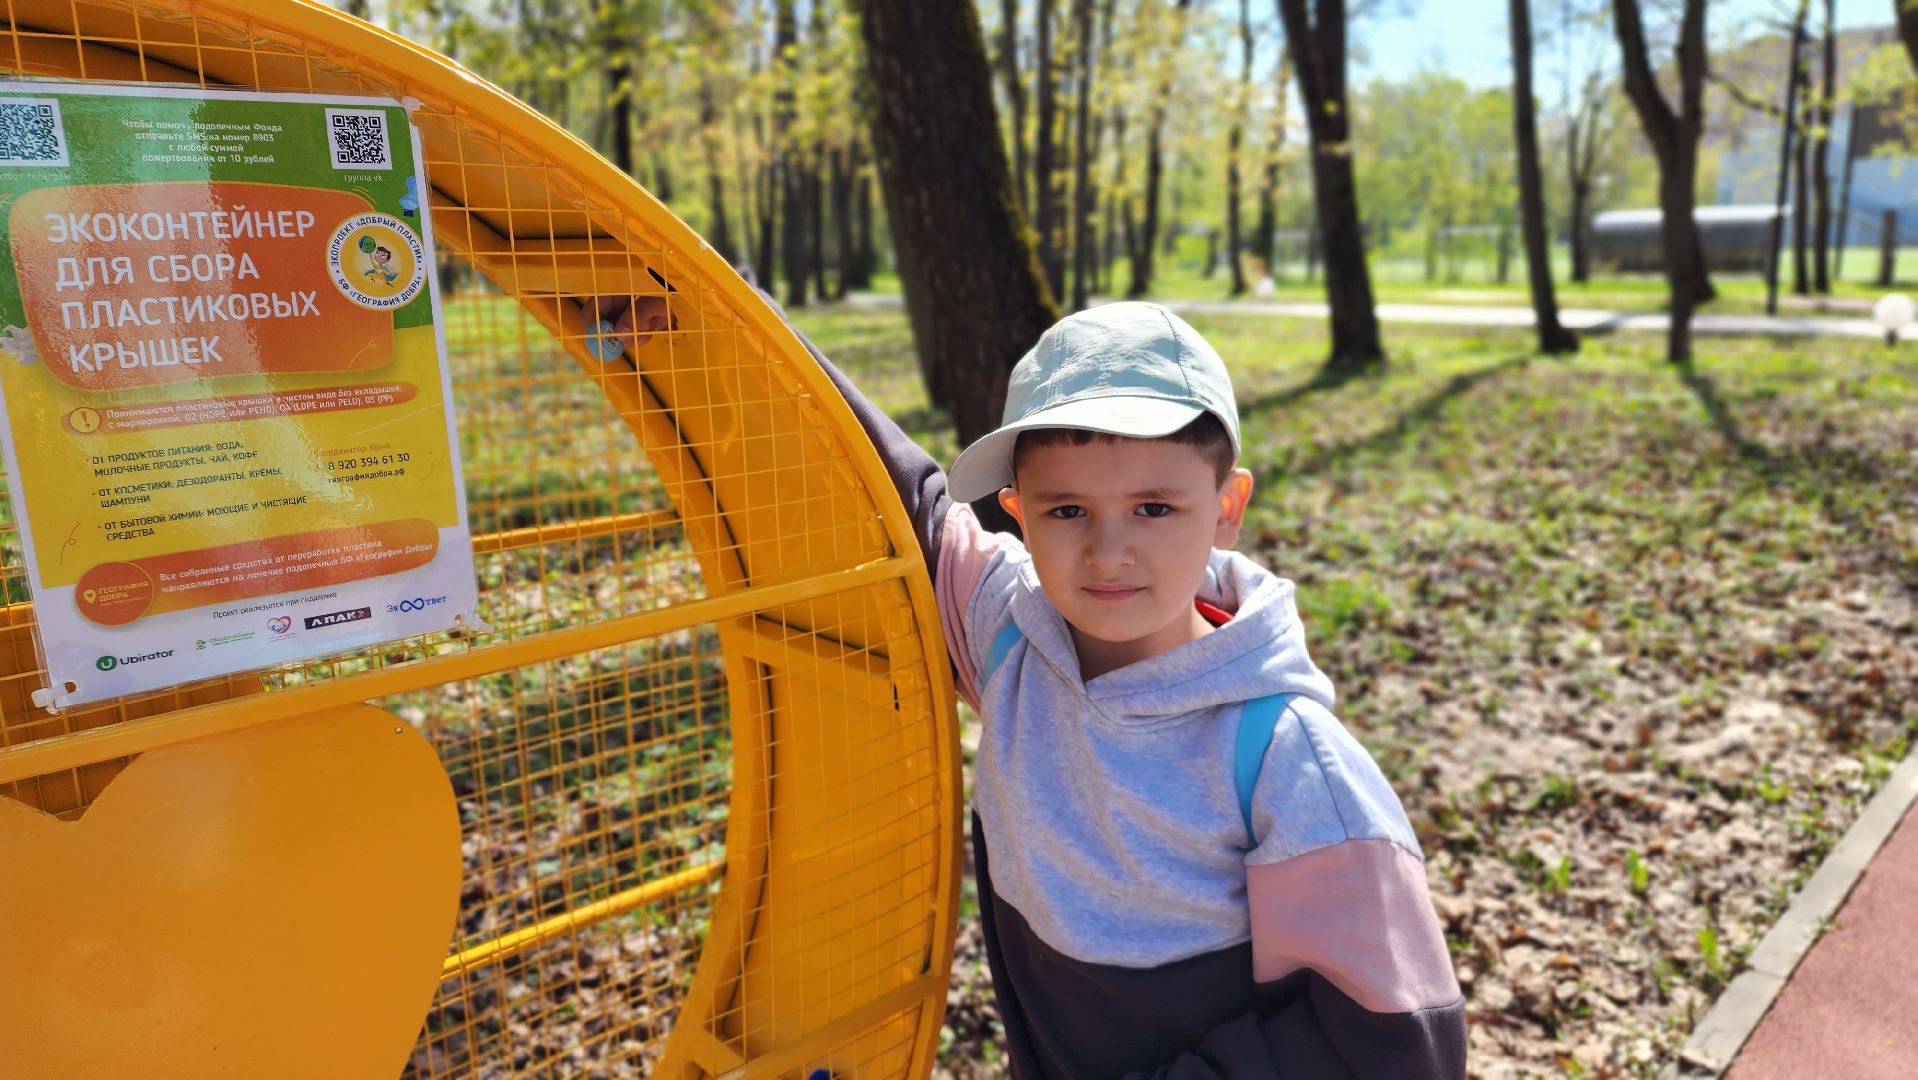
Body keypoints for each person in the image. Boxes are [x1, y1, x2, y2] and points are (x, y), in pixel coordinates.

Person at [600, 289, 1467, 1077]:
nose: (1108, 551)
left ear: (1227, 506)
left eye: (1155, 508)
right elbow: (883, 493)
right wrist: (706, 331)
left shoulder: (1288, 762)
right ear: (1016, 509)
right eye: (1067, 511)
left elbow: (1397, 1044)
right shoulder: (1012, 633)